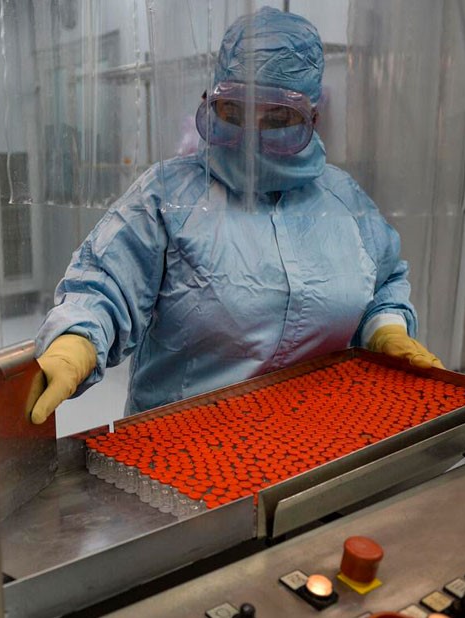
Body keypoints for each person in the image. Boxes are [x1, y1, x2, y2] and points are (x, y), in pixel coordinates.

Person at [29, 7, 443, 425]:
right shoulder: (168, 196)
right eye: (234, 112)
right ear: (211, 102)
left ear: (312, 120)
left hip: (319, 439)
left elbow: (384, 279)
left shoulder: (342, 199)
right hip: (183, 446)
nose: (251, 135)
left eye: (278, 118)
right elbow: (106, 285)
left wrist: (385, 328)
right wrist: (76, 342)